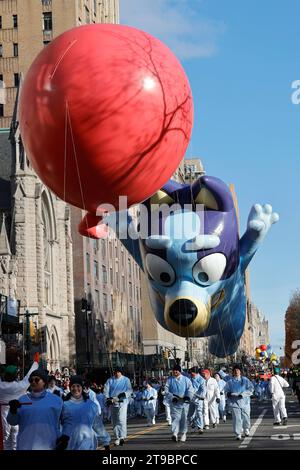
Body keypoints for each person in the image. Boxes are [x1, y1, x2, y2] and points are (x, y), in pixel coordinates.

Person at [7, 369, 63, 450]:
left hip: (48, 444)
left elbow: (61, 422)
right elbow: (12, 421)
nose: (33, 382)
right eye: (31, 380)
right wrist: (13, 410)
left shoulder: (56, 400)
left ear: (44, 382)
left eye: (36, 379)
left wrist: (61, 438)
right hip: (25, 445)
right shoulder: (22, 400)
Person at [57, 375, 110, 450]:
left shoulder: (91, 405)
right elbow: (57, 425)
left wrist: (106, 442)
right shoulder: (64, 405)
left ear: (82, 387)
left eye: (78, 386)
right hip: (69, 444)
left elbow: (97, 425)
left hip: (87, 442)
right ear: (70, 387)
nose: (75, 389)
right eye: (73, 386)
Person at [0, 359, 38, 450]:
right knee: (15, 440)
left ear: (5, 375)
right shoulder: (21, 386)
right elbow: (29, 375)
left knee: (5, 439)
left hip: (3, 415)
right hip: (17, 415)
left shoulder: (1, 386)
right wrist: (36, 362)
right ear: (15, 376)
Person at [103, 367, 132, 446]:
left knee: (121, 419)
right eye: (116, 372)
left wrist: (124, 394)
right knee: (114, 420)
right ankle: (117, 437)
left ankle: (122, 436)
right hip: (113, 402)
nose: (117, 373)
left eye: (118, 372)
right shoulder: (110, 380)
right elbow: (106, 390)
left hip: (122, 402)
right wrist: (107, 399)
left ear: (121, 373)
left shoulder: (126, 380)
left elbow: (130, 390)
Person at [224, 365, 254, 440]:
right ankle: (238, 433)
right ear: (233, 372)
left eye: (238, 370)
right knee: (237, 418)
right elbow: (225, 390)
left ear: (240, 371)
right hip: (234, 403)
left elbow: (251, 389)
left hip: (245, 402)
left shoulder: (245, 380)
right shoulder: (230, 382)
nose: (236, 372)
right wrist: (228, 394)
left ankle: (246, 429)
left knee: (246, 417)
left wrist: (242, 395)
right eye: (235, 370)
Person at [165, 365, 194, 443]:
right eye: (174, 371)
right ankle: (174, 433)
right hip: (175, 402)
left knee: (184, 419)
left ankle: (184, 433)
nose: (175, 372)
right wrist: (172, 397)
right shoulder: (169, 380)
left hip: (184, 402)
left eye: (176, 371)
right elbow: (166, 391)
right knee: (175, 418)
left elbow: (190, 390)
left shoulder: (186, 380)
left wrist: (188, 397)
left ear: (179, 371)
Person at [188, 367, 206, 434]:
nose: (191, 374)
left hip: (199, 398)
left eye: (192, 373)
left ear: (196, 373)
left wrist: (202, 396)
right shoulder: (189, 379)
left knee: (199, 412)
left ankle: (200, 427)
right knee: (190, 414)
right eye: (191, 373)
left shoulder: (201, 379)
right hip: (190, 399)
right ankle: (193, 425)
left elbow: (203, 389)